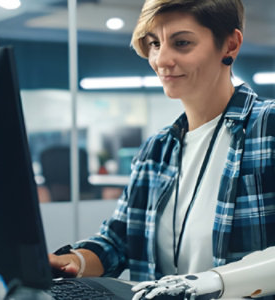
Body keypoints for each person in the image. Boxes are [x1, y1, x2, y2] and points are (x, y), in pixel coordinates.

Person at [49, 0, 275, 299]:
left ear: (230, 45)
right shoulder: (156, 149)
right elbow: (118, 241)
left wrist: (210, 282)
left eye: (182, 43)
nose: (161, 59)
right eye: (154, 43)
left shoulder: (267, 126)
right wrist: (72, 262)